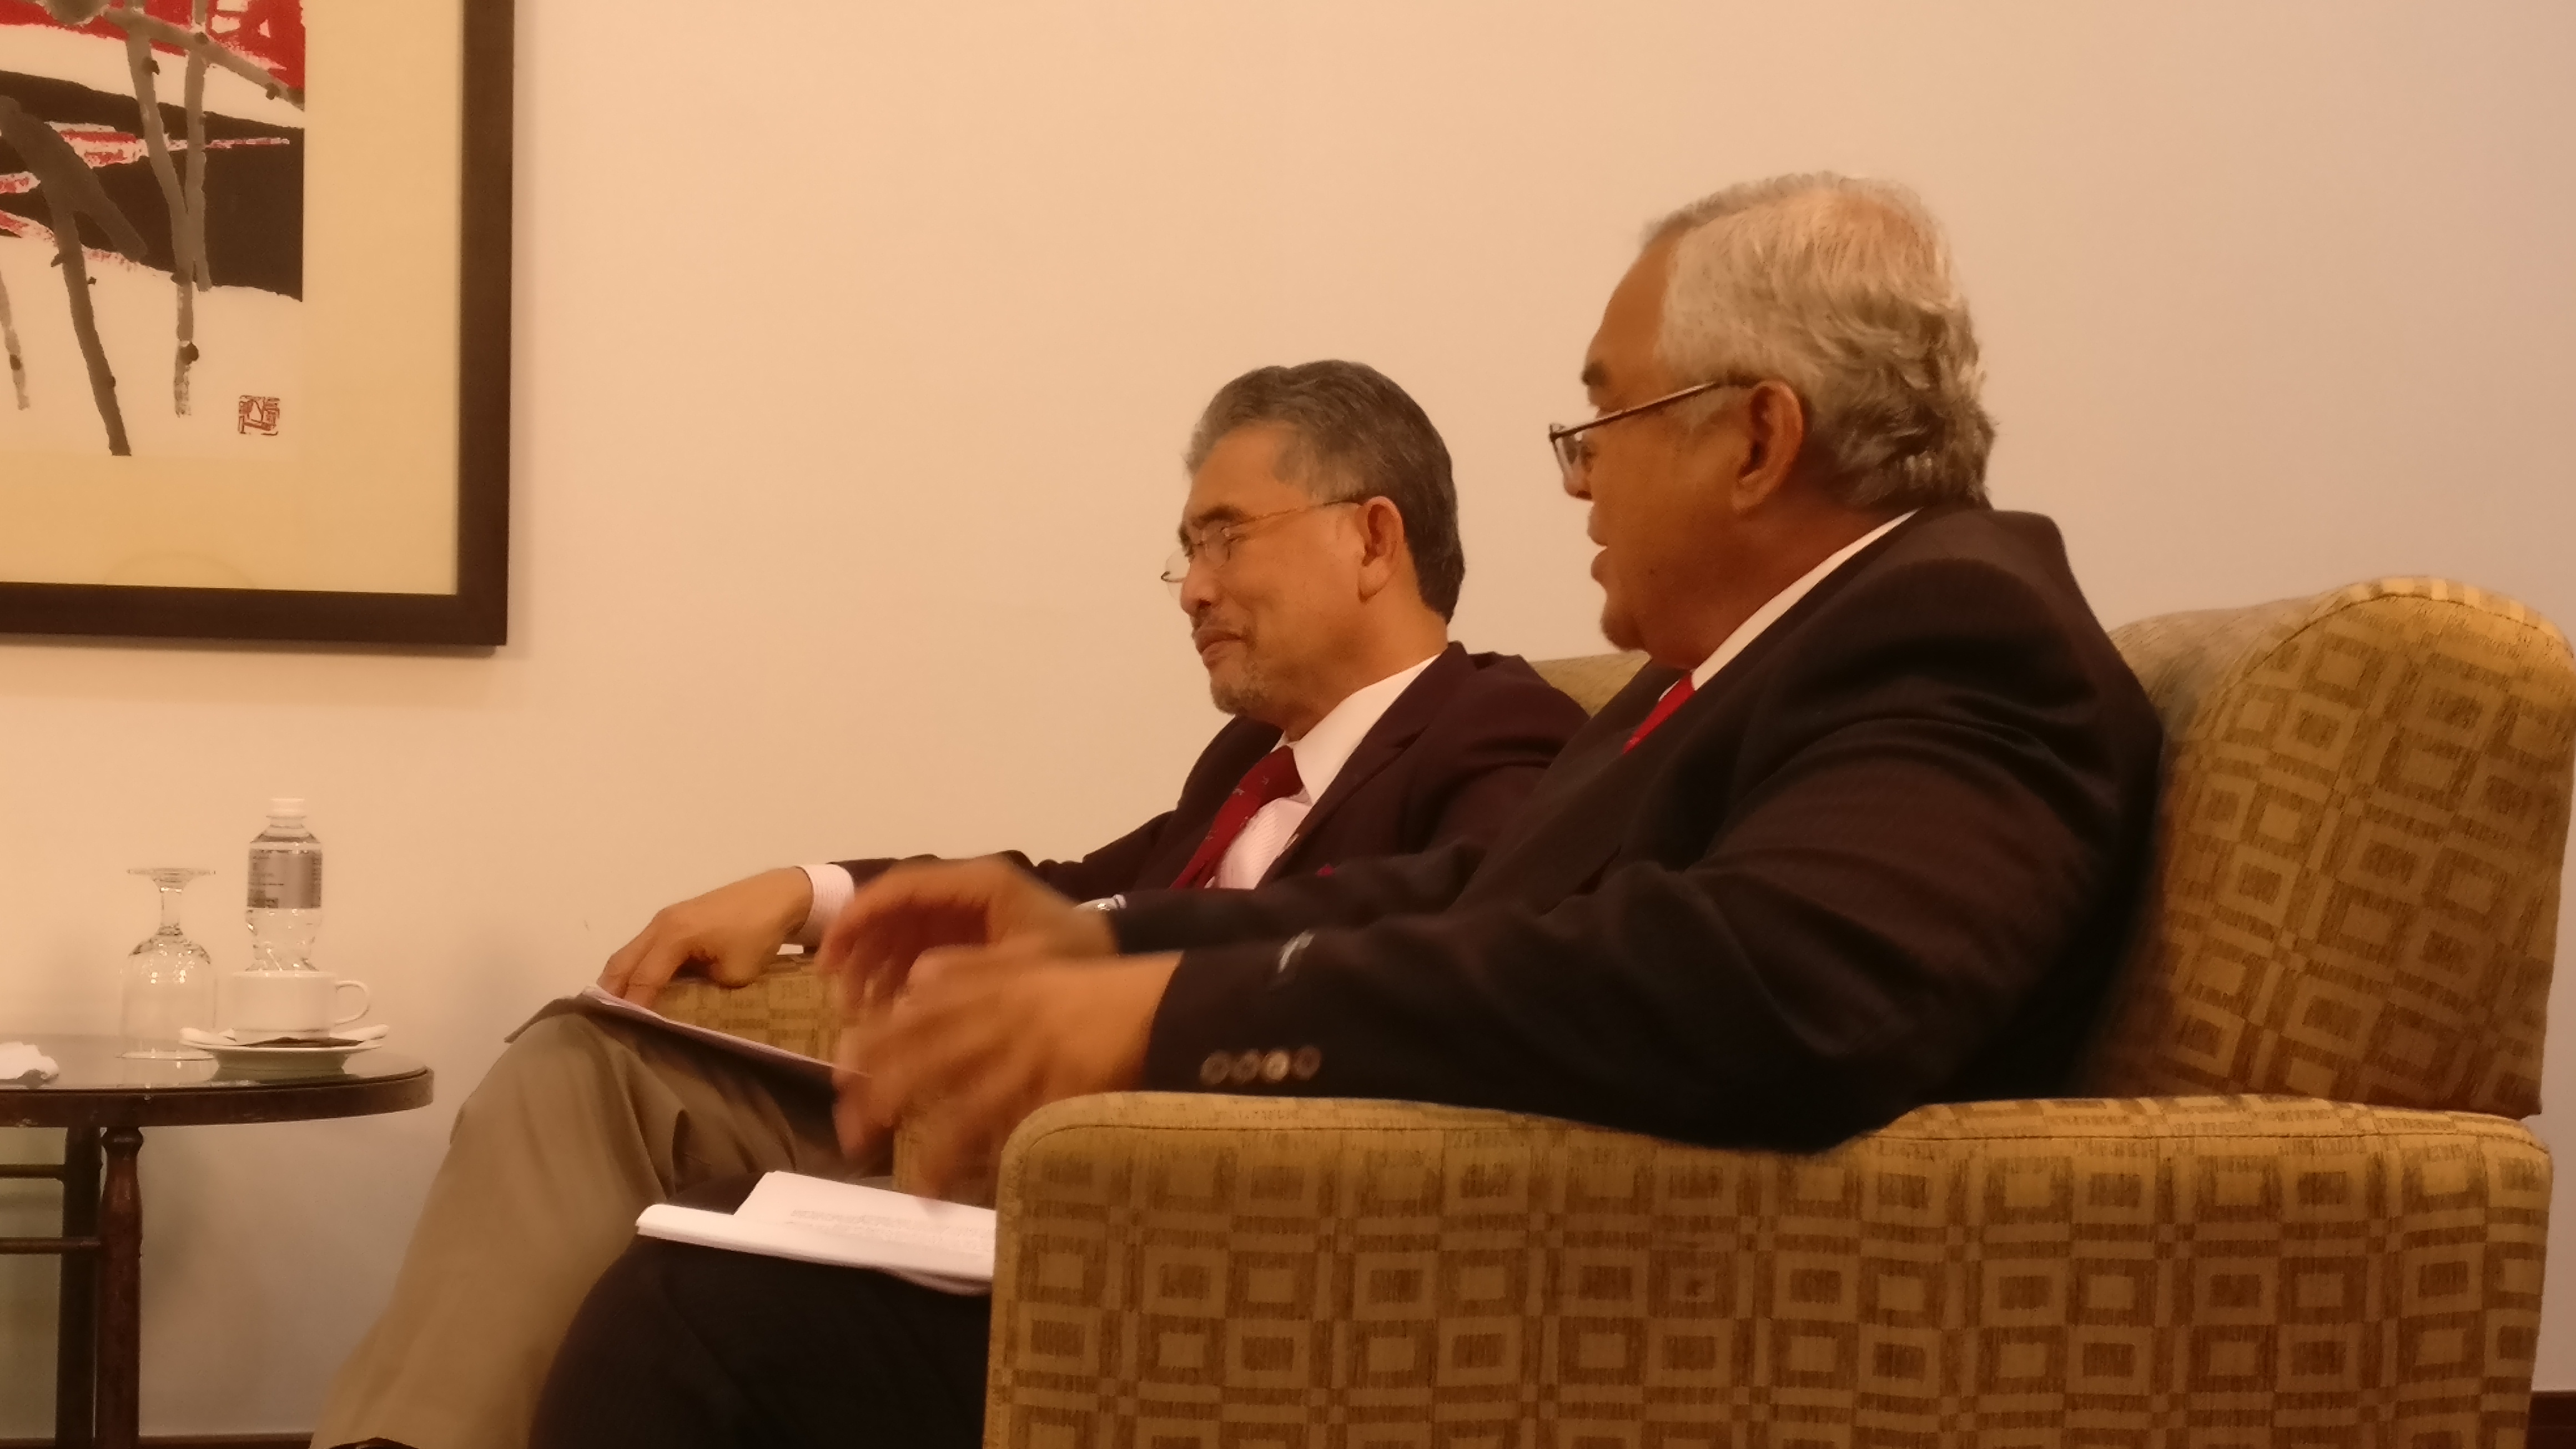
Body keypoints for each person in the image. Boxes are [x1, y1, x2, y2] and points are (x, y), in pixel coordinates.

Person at [524, 171, 2168, 1449]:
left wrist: (1166, 1014)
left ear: (1757, 438)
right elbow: (1471, 896)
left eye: (1602, 422)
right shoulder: (1720, 675)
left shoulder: (1955, 628)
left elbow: (1769, 981)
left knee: (708, 1319)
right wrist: (1106, 946)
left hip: (1549, 1326)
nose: (1576, 479)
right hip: (1433, 1258)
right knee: (713, 1263)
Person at [309, 361, 1588, 1449]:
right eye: (1186, 552)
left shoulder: (1497, 726)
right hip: (997, 1132)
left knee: (687, 1286)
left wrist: (1118, 991)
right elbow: (1068, 891)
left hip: (1175, 1199)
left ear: (1371, 538)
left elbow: (1448, 934)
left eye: (1224, 537)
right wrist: (807, 891)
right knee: (589, 1068)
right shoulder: (1248, 766)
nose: (1193, 588)